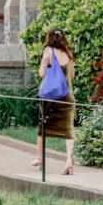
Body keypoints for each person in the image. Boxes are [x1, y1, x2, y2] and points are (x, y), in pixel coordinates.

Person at [34, 27, 76, 175]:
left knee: (43, 126)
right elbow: (71, 76)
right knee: (68, 129)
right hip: (67, 96)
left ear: (49, 38)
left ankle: (40, 158)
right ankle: (69, 162)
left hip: (51, 98)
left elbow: (42, 73)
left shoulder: (48, 52)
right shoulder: (68, 53)